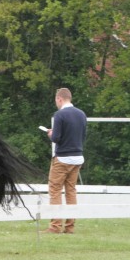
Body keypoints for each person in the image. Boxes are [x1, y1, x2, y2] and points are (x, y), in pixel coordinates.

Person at [42, 88, 87, 234]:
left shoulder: (60, 115)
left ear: (59, 99)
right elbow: (82, 135)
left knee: (55, 190)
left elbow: (56, 138)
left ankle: (55, 226)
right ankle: (70, 226)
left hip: (62, 158)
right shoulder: (81, 114)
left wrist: (51, 133)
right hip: (77, 157)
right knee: (71, 191)